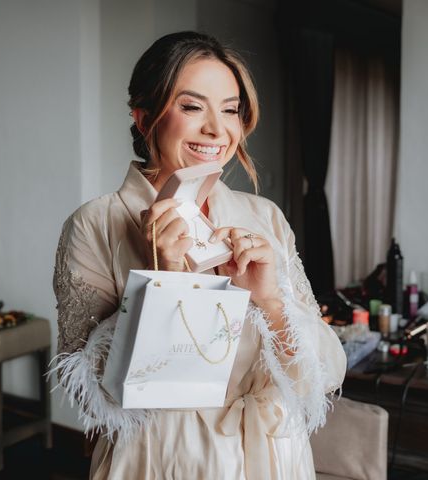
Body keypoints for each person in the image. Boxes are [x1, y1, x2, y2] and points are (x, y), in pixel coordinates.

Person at [52, 31, 346, 480]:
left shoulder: (263, 217)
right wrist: (164, 282)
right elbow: (98, 396)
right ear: (144, 116)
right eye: (192, 107)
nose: (217, 129)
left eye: (231, 109)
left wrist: (269, 302)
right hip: (161, 460)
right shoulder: (95, 224)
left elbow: (322, 377)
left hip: (271, 459)